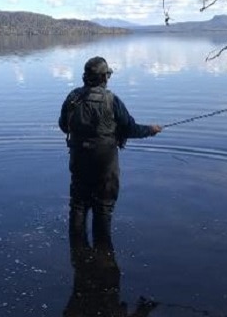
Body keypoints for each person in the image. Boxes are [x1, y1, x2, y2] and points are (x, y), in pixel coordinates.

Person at [58, 56, 162, 251]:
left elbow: (64, 126)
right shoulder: (112, 100)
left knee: (79, 204)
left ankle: (77, 251)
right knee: (103, 207)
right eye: (108, 75)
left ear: (85, 77)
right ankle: (103, 253)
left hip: (79, 159)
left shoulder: (73, 98)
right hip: (105, 164)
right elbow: (130, 129)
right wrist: (151, 130)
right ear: (104, 77)